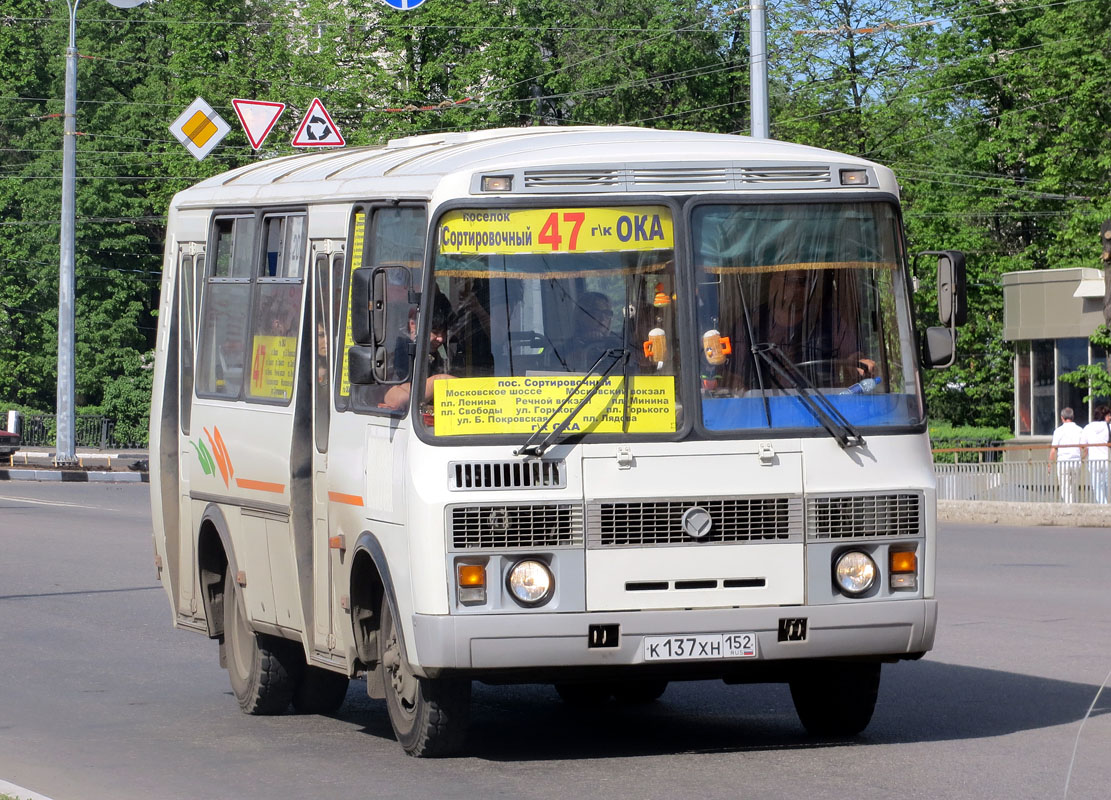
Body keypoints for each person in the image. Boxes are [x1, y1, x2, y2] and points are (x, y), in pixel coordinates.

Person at [568, 291, 622, 371]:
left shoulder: (620, 344)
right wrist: (584, 346)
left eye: (607, 313)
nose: (603, 318)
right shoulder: (564, 349)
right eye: (596, 312)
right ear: (580, 316)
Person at [1049, 407, 1085, 503]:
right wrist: (1082, 457)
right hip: (1076, 460)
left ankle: (1068, 504)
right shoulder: (1080, 430)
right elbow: (1084, 447)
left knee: (1064, 486)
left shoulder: (1058, 431)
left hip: (1063, 461)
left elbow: (1053, 449)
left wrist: (1049, 463)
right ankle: (1073, 503)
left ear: (1062, 418)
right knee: (1074, 485)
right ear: (1073, 417)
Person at [1082, 404, 1111, 503]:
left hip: (1093, 461)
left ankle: (1102, 504)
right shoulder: (1108, 427)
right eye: (1108, 415)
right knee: (1105, 485)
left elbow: (1083, 444)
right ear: (1104, 416)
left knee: (1097, 486)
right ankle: (1106, 504)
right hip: (1105, 460)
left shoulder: (1088, 427)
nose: (1110, 417)